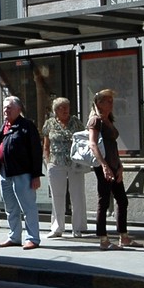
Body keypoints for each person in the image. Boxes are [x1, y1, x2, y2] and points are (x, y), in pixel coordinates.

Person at [88, 89, 141, 250]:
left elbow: (113, 146)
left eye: (112, 100)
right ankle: (103, 240)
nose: (111, 103)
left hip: (114, 165)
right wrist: (104, 165)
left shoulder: (108, 119)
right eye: (108, 100)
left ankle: (123, 237)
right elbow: (92, 144)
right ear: (99, 103)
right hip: (104, 166)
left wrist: (120, 166)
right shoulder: (95, 120)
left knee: (122, 200)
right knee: (103, 201)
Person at [0, 96, 44, 250]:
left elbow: (36, 151)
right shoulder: (4, 126)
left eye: (9, 107)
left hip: (22, 173)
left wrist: (36, 175)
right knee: (10, 208)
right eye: (4, 107)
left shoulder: (26, 126)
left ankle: (33, 238)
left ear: (18, 109)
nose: (5, 110)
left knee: (28, 207)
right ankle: (14, 237)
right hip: (5, 172)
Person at [41, 97, 88, 238]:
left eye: (67, 106)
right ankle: (57, 228)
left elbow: (84, 139)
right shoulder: (49, 123)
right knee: (57, 195)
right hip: (56, 162)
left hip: (75, 162)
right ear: (56, 110)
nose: (66, 110)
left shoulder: (75, 122)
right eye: (62, 107)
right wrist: (47, 160)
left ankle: (78, 228)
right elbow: (46, 144)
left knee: (77, 194)